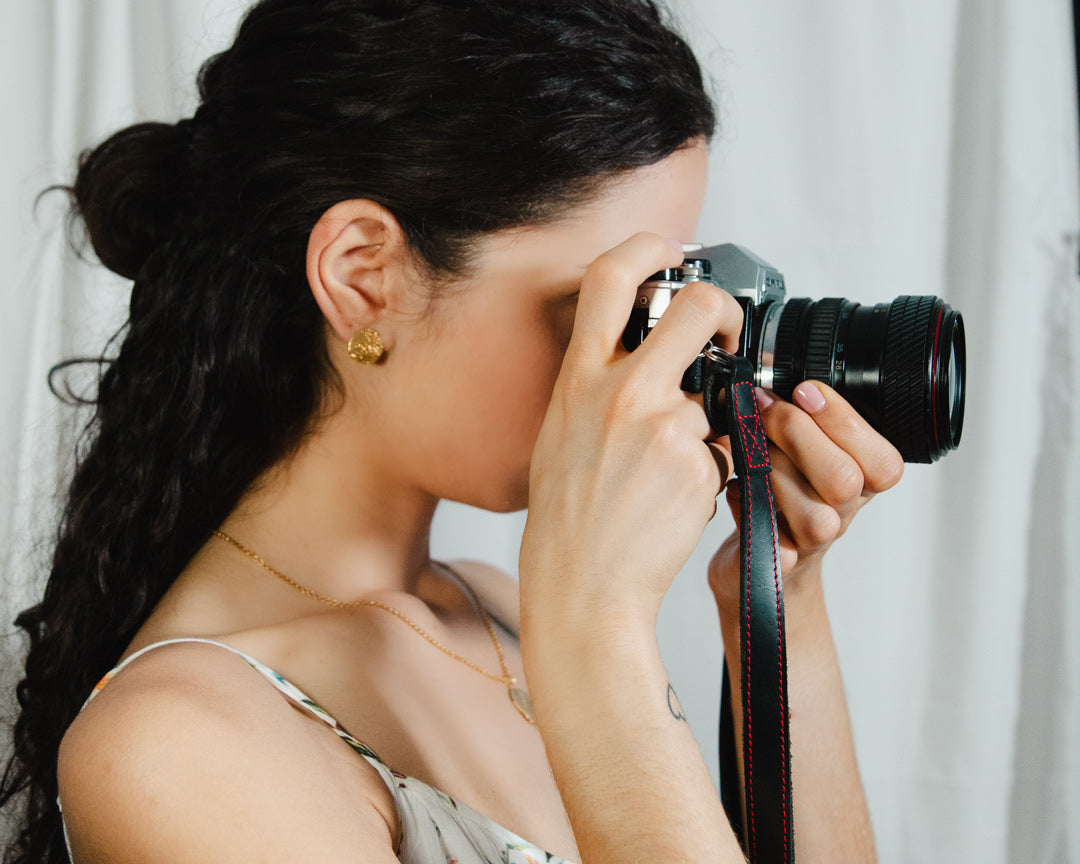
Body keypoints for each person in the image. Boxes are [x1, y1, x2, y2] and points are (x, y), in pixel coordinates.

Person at [1, 1, 903, 862]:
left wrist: (783, 598)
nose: (650, 366)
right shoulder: (171, 747)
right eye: (593, 306)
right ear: (364, 277)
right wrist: (593, 636)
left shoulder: (495, 608)